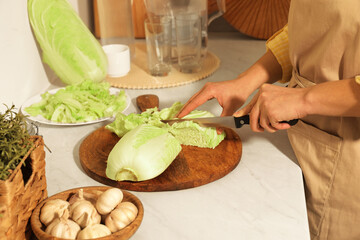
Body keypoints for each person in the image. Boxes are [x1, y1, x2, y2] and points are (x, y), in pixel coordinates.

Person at [176, 1, 360, 239]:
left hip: (348, 161)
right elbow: (315, 27)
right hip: (304, 138)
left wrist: (304, 99)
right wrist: (247, 80)